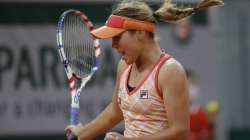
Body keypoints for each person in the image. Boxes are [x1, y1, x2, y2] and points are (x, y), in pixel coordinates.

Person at [65, 0, 191, 139]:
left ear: (140, 32)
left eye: (117, 37)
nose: (113, 45)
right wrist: (83, 134)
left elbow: (180, 131)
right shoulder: (124, 66)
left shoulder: (170, 71)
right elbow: (115, 111)